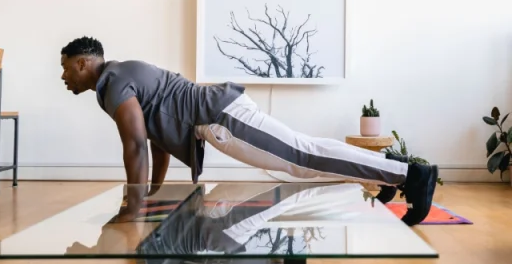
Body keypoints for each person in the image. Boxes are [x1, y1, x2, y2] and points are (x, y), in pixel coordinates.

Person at [60, 36, 438, 226]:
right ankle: (390, 172)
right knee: (304, 153)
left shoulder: (111, 84)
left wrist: (135, 207)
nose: (63, 77)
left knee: (302, 158)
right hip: (220, 111)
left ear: (82, 64)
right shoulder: (123, 73)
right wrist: (151, 193)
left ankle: (410, 173)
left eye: (65, 69)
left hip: (221, 118)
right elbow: (154, 140)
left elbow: (136, 145)